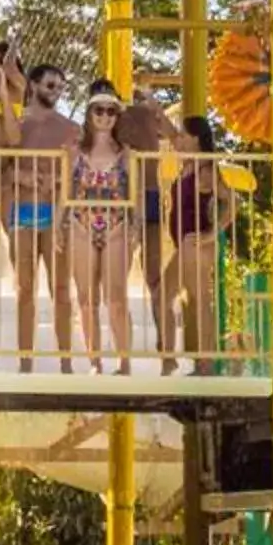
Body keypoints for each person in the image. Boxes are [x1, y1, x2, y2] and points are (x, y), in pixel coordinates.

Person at [0, 62, 78, 370]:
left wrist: (54, 183)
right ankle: (25, 362)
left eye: (59, 87)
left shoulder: (70, 128)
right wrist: (21, 178)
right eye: (49, 85)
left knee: (60, 288)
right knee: (25, 289)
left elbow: (76, 174)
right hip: (22, 210)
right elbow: (0, 167)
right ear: (33, 85)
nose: (55, 92)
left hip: (54, 213)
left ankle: (66, 362)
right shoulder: (16, 124)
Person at [64, 85, 136, 372]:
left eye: (111, 111)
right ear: (89, 114)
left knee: (116, 296)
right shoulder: (74, 151)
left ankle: (124, 360)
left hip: (116, 223)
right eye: (99, 110)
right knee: (86, 296)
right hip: (81, 223)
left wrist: (135, 224)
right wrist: (61, 223)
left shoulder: (125, 153)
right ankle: (95, 360)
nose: (105, 116)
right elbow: (66, 190)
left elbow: (134, 192)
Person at [112, 87, 187, 360]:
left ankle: (158, 346)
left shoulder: (134, 116)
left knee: (148, 278)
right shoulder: (132, 116)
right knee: (137, 278)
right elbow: (173, 138)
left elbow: (174, 138)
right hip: (131, 198)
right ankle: (150, 348)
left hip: (140, 197)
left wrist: (153, 108)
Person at [164, 114, 229, 374]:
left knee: (199, 299)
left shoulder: (205, 169)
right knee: (171, 296)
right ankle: (178, 359)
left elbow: (231, 202)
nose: (178, 138)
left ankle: (205, 363)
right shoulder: (188, 164)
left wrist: (212, 235)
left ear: (195, 139)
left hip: (196, 244)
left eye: (183, 134)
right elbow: (169, 134)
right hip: (186, 244)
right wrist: (151, 102)